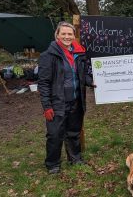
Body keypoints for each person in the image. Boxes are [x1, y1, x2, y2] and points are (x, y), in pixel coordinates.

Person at [38, 21, 94, 174]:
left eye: (70, 34)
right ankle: (53, 164)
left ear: (74, 36)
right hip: (57, 103)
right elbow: (43, 83)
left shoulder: (79, 53)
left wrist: (91, 82)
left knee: (74, 132)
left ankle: (75, 158)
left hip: (76, 100)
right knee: (55, 135)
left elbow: (82, 75)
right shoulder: (48, 56)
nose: (67, 37)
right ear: (57, 35)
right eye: (63, 34)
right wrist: (46, 106)